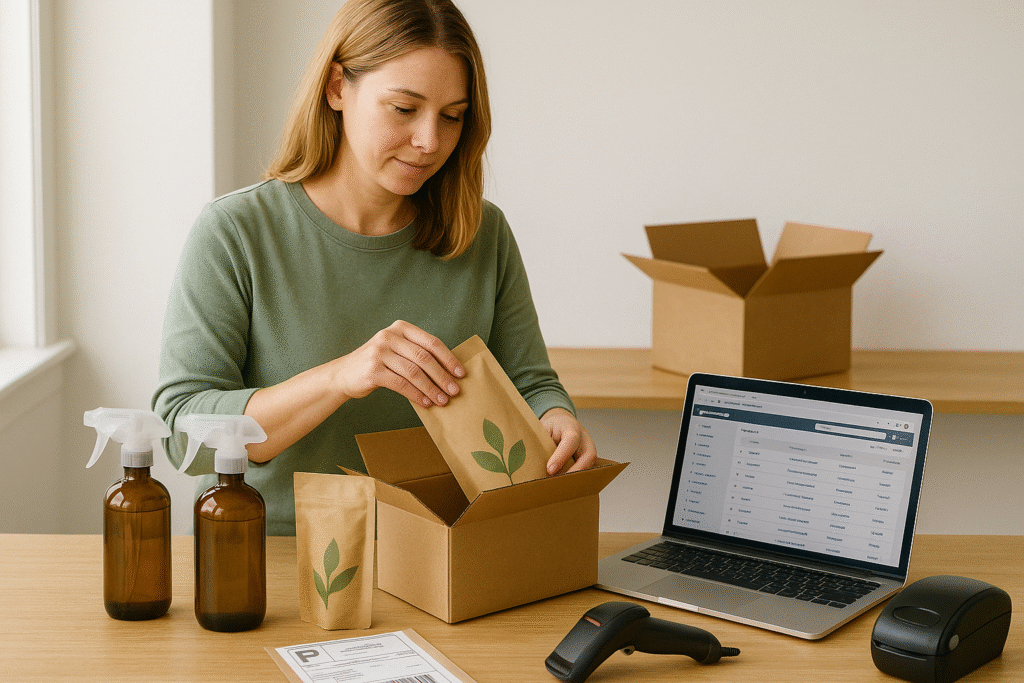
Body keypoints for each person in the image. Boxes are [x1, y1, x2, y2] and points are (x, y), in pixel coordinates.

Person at [152, 0, 597, 536]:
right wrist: (341, 377)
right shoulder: (236, 232)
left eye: (452, 116)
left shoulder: (483, 234)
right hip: (279, 560)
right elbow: (183, 434)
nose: (430, 142)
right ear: (337, 86)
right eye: (404, 109)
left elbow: (530, 383)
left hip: (443, 557)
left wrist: (556, 418)